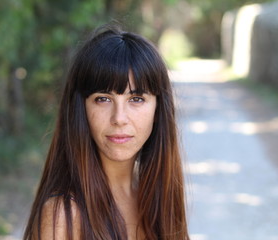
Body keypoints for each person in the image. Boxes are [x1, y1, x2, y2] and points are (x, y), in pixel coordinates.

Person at [23, 25, 190, 240]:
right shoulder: (64, 216)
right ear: (81, 108)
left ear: (158, 109)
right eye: (103, 99)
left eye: (136, 99)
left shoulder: (156, 200)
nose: (119, 118)